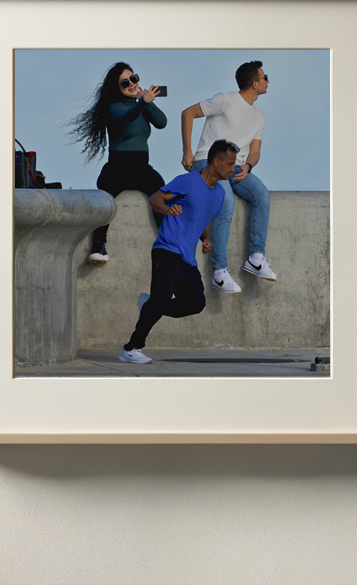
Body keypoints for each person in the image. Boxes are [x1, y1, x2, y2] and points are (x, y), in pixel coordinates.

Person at [119, 140, 240, 364]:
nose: (233, 169)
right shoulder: (188, 181)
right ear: (216, 161)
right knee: (161, 300)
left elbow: (203, 217)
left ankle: (149, 306)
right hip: (167, 249)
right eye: (230, 164)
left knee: (196, 303)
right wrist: (167, 209)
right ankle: (131, 348)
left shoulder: (219, 194)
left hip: (187, 258)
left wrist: (205, 238)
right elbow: (155, 198)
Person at [180, 60, 276, 293]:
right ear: (255, 83)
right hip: (208, 161)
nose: (268, 81)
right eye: (265, 77)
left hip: (235, 168)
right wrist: (187, 151)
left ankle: (256, 257)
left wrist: (248, 166)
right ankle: (219, 272)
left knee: (261, 193)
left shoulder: (260, 117)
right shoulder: (225, 100)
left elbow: (254, 151)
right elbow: (188, 113)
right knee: (227, 202)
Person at [67, 62, 168, 264]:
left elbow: (162, 123)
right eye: (125, 82)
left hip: (141, 167)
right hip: (118, 167)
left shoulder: (142, 104)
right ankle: (99, 246)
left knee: (162, 193)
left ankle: (167, 245)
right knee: (104, 198)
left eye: (133, 78)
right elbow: (126, 118)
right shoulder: (113, 107)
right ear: (116, 86)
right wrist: (142, 102)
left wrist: (146, 101)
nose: (131, 84)